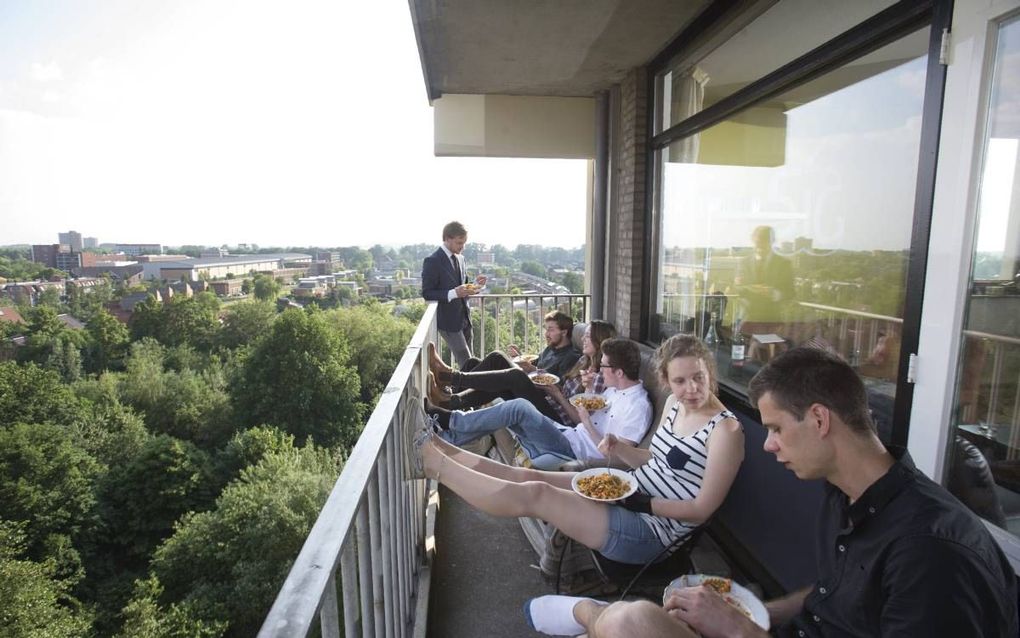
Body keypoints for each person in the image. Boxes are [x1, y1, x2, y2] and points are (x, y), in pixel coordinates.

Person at [533, 347, 1018, 638]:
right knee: (638, 620)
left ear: (821, 419)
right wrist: (758, 610)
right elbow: (835, 594)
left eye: (777, 429)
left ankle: (588, 613)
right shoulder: (849, 496)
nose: (768, 445)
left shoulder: (930, 553)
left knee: (626, 625)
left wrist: (741, 630)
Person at [409, 334, 745, 576]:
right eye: (680, 381)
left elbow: (700, 511)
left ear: (710, 373)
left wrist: (638, 502)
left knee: (536, 493)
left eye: (699, 378)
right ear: (667, 381)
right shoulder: (675, 404)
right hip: (626, 487)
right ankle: (444, 447)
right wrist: (621, 449)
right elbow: (654, 460)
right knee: (529, 476)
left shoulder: (726, 432)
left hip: (651, 532)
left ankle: (432, 463)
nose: (691, 389)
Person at [425, 337, 651, 469]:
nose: (600, 371)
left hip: (571, 450)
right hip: (566, 432)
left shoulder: (638, 407)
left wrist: (586, 421)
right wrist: (588, 395)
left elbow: (618, 458)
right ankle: (447, 437)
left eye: (604, 366)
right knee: (511, 399)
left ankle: (446, 415)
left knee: (519, 407)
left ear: (619, 372)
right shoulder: (613, 391)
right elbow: (579, 421)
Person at [427, 317, 612, 425]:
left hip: (559, 420)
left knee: (514, 376)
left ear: (600, 340)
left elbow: (580, 421)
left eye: (588, 336)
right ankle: (449, 400)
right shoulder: (583, 361)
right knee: (497, 359)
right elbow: (562, 385)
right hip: (549, 399)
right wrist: (547, 383)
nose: (584, 339)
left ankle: (449, 378)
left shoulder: (599, 377)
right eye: (584, 335)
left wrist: (556, 393)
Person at [420, 221, 486, 367]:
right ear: (447, 238)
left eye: (464, 243)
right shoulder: (432, 261)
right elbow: (427, 293)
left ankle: (465, 387)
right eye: (459, 242)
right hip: (448, 321)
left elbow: (464, 285)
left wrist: (477, 285)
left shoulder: (461, 259)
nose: (462, 247)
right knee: (467, 361)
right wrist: (453, 293)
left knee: (471, 361)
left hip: (465, 319)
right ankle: (470, 388)